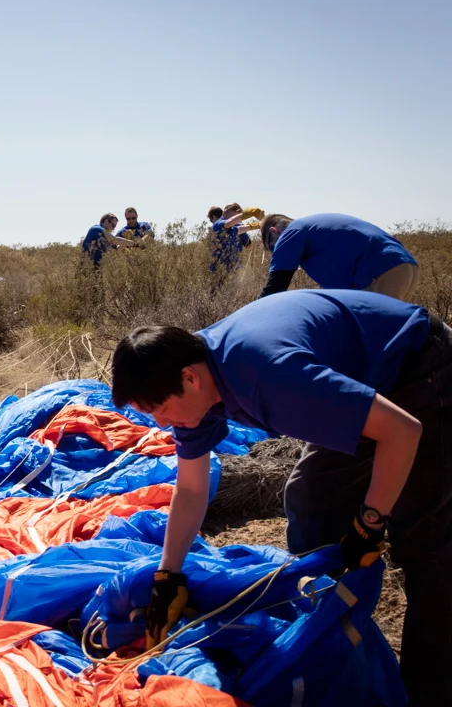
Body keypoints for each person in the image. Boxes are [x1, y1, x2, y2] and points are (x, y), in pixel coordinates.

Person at [110, 290, 452, 702]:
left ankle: (429, 688)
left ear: (190, 378)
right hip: (359, 385)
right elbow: (192, 488)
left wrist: (371, 521)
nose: (162, 422)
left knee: (428, 547)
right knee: (312, 507)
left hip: (419, 370)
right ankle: (335, 636)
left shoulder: (268, 375)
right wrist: (169, 576)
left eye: (159, 409)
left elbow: (403, 430)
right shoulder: (188, 384)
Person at [259, 213, 419, 301]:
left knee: (371, 340)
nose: (277, 252)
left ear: (274, 231)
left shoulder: (291, 233)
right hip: (405, 266)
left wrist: (247, 315)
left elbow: (275, 287)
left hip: (378, 273)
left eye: (273, 247)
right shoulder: (312, 229)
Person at [209, 203, 261, 273]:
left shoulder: (231, 228)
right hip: (219, 270)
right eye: (236, 216)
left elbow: (239, 230)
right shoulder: (218, 223)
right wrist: (250, 213)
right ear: (225, 212)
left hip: (233, 269)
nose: (238, 219)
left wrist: (256, 225)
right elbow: (229, 222)